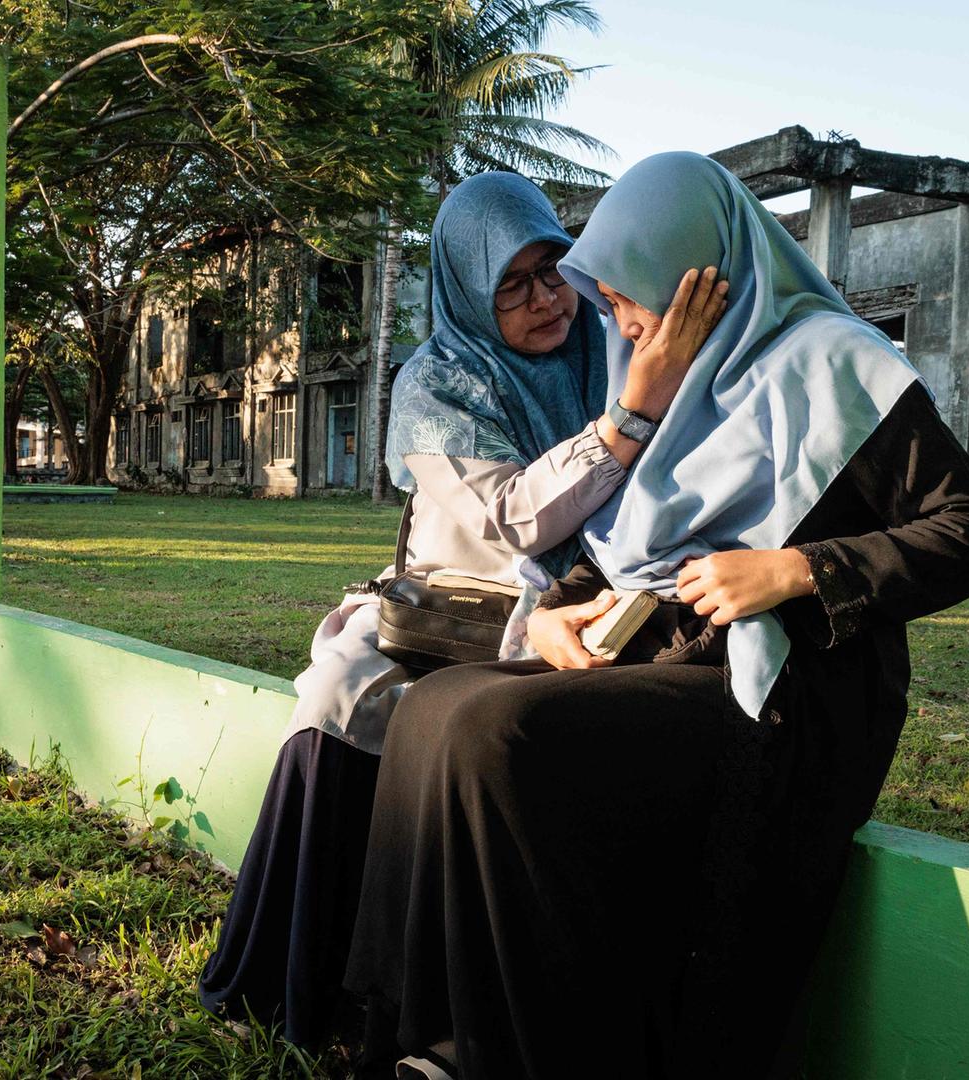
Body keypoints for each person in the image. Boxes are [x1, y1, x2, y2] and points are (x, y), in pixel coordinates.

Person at [344, 152, 969, 1078]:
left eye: (629, 298)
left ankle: (506, 1056)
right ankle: (419, 1030)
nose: (617, 325)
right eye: (609, 301)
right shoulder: (681, 385)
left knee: (501, 731)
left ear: (699, 275)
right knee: (433, 708)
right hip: (670, 654)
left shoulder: (837, 362)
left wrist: (796, 569)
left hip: (789, 686)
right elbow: (619, 544)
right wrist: (556, 614)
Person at [197, 170, 727, 1050]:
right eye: (509, 285)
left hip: (601, 593)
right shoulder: (437, 383)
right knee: (347, 689)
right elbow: (516, 517)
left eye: (552, 269)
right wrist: (630, 416)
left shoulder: (608, 346)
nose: (543, 300)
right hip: (463, 600)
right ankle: (303, 982)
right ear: (468, 293)